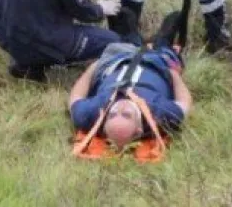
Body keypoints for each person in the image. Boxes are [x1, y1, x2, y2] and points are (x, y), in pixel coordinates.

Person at [68, 13, 193, 151]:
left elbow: (75, 97)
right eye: (126, 115)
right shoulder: (161, 114)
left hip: (118, 59)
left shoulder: (90, 114)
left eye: (112, 115)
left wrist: (92, 69)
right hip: (157, 64)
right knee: (164, 45)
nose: (119, 108)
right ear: (139, 130)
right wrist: (174, 75)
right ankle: (164, 36)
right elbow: (185, 102)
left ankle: (131, 31)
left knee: (128, 35)